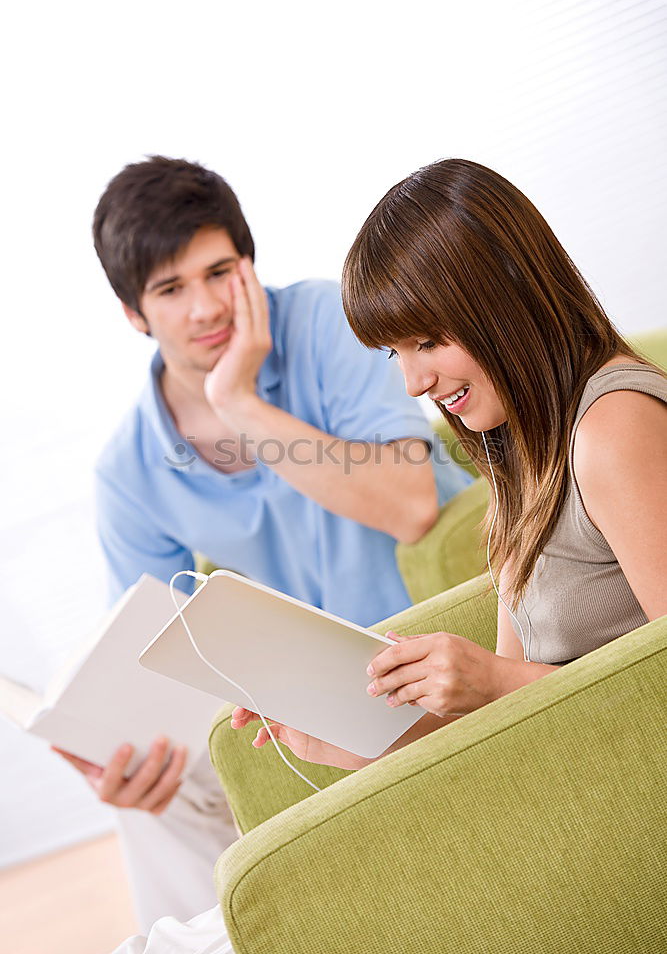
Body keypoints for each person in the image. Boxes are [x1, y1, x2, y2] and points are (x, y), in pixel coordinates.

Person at [111, 157, 666, 953]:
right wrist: (340, 731)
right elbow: (520, 710)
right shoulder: (522, 449)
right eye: (394, 352)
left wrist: (492, 679)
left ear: (509, 295)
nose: (410, 381)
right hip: (548, 779)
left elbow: (646, 683)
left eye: (429, 339)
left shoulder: (611, 429)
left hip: (593, 805)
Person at [55, 156, 471, 931]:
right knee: (157, 788)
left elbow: (410, 505)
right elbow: (144, 649)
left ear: (248, 264)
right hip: (300, 679)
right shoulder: (128, 467)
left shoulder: (325, 320)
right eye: (171, 290)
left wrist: (240, 401)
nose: (208, 307)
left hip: (425, 630)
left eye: (220, 272)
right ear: (133, 313)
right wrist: (121, 751)